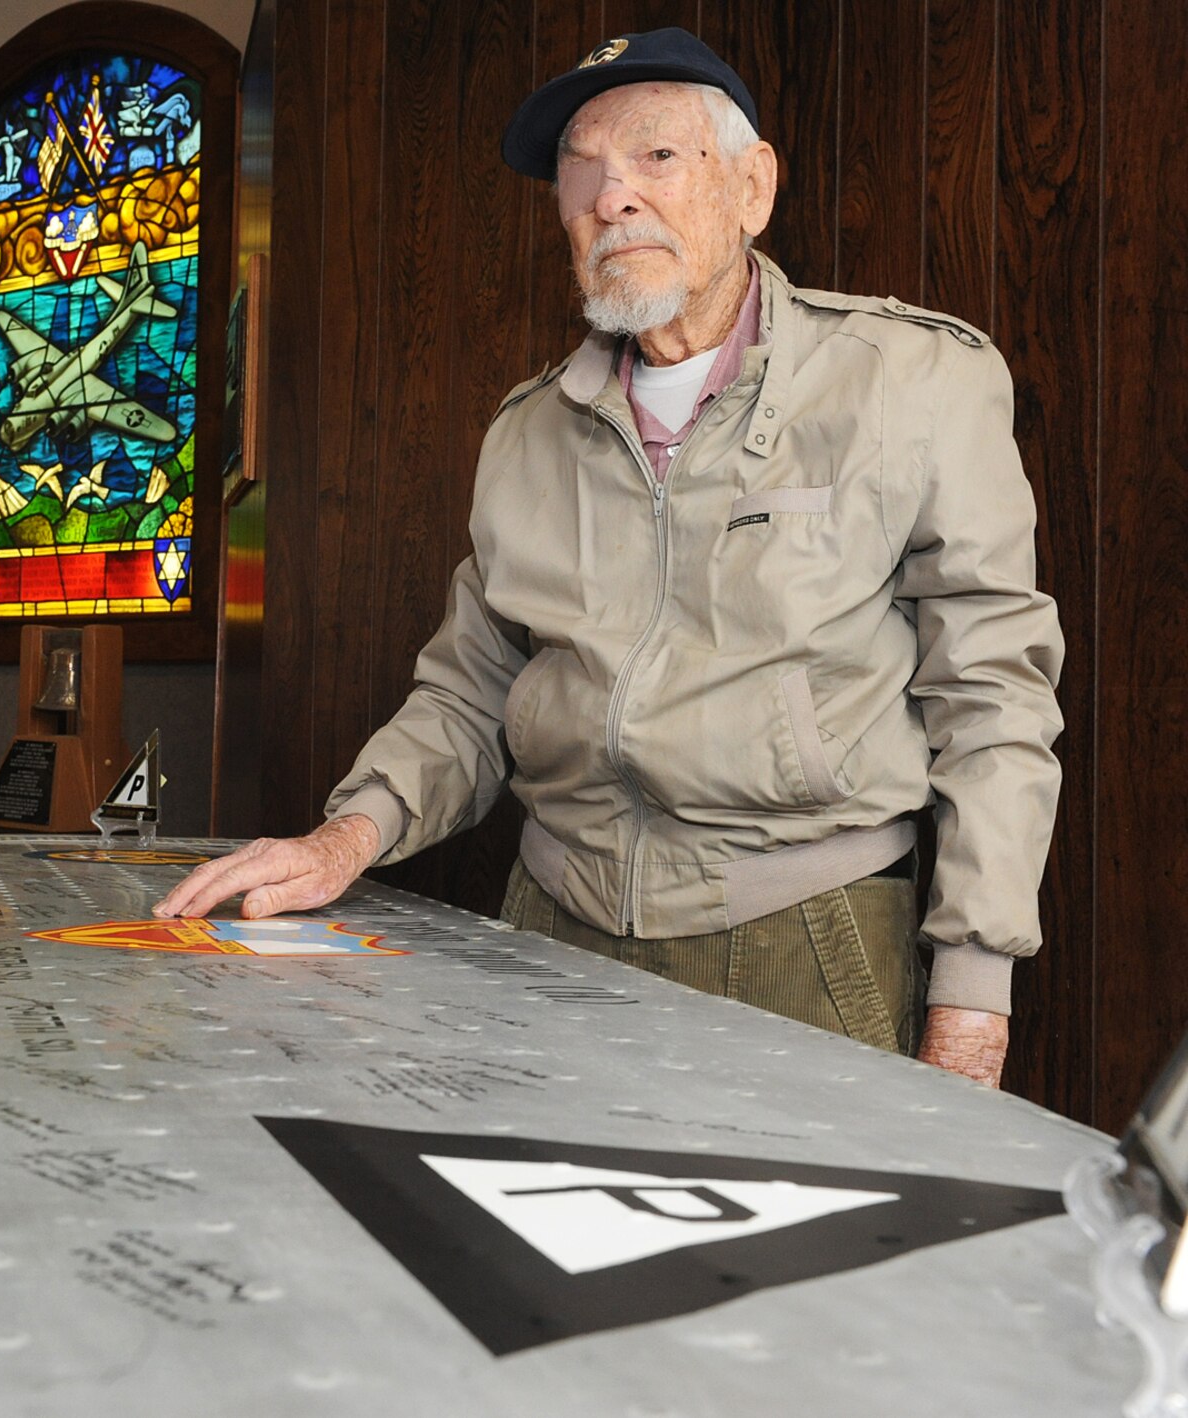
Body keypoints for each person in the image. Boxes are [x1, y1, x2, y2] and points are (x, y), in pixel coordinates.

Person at [156, 29, 1063, 1088]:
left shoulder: (908, 383)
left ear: (752, 186)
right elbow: (468, 690)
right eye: (579, 170)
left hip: (804, 940)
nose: (610, 195)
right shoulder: (527, 430)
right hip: (548, 924)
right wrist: (341, 838)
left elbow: (991, 697)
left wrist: (971, 998)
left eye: (655, 158)